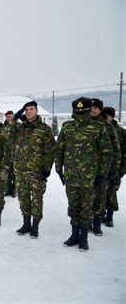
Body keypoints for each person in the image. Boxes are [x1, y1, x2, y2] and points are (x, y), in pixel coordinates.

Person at [55, 97, 112, 251]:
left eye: (83, 111)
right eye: (77, 111)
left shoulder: (99, 128)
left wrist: (101, 175)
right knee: (73, 206)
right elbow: (59, 149)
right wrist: (59, 169)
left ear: (88, 111)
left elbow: (107, 153)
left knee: (87, 207)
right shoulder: (67, 127)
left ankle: (84, 238)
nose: (80, 114)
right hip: (71, 175)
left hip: (89, 177)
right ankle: (74, 235)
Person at [6, 101, 55, 239]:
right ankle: (26, 223)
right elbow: (7, 136)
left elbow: (50, 151)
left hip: (37, 172)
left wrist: (47, 168)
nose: (28, 111)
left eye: (31, 109)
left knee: (37, 200)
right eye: (26, 109)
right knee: (23, 198)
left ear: (37, 111)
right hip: (20, 171)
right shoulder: (19, 128)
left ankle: (35, 226)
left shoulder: (44, 129)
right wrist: (14, 119)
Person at [89, 99, 121, 235]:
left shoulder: (108, 127)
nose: (93, 110)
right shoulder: (85, 124)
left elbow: (116, 150)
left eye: (96, 108)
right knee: (87, 198)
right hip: (87, 170)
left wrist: (113, 171)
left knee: (100, 198)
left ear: (100, 110)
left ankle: (97, 224)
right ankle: (88, 222)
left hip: (103, 170)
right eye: (91, 107)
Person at [101, 107, 124, 228]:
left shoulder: (120, 132)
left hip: (115, 167)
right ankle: (101, 215)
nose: (105, 118)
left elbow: (124, 152)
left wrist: (122, 169)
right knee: (100, 192)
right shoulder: (101, 128)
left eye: (107, 116)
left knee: (111, 192)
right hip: (102, 167)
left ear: (112, 117)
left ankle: (109, 217)